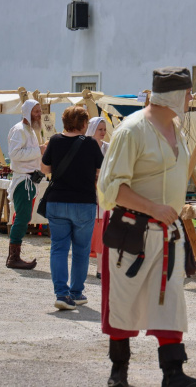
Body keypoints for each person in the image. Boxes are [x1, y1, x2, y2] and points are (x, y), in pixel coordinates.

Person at [98, 67, 196, 387]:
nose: (192, 98)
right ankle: (118, 374)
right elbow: (109, 189)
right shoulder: (132, 130)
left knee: (170, 302)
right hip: (131, 233)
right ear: (175, 95)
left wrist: (174, 210)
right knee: (123, 303)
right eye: (189, 93)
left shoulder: (177, 129)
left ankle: (173, 374)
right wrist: (153, 208)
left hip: (168, 234)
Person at [41, 106, 104, 310]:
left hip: (58, 200)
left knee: (58, 248)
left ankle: (61, 293)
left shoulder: (55, 141)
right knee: (81, 250)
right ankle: (76, 293)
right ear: (84, 124)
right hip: (83, 202)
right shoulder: (91, 144)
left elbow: (45, 169)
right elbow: (100, 171)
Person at [6, 99, 46, 270]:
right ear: (27, 112)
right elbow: (14, 154)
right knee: (22, 218)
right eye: (36, 111)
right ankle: (13, 258)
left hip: (29, 180)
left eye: (39, 111)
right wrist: (40, 150)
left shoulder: (30, 131)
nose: (39, 114)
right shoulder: (19, 130)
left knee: (24, 217)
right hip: (23, 181)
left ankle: (14, 256)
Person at [85, 117, 109, 280]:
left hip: (104, 194)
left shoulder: (108, 147)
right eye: (99, 129)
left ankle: (102, 268)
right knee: (87, 234)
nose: (103, 132)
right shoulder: (84, 146)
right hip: (87, 194)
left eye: (104, 129)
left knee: (103, 233)